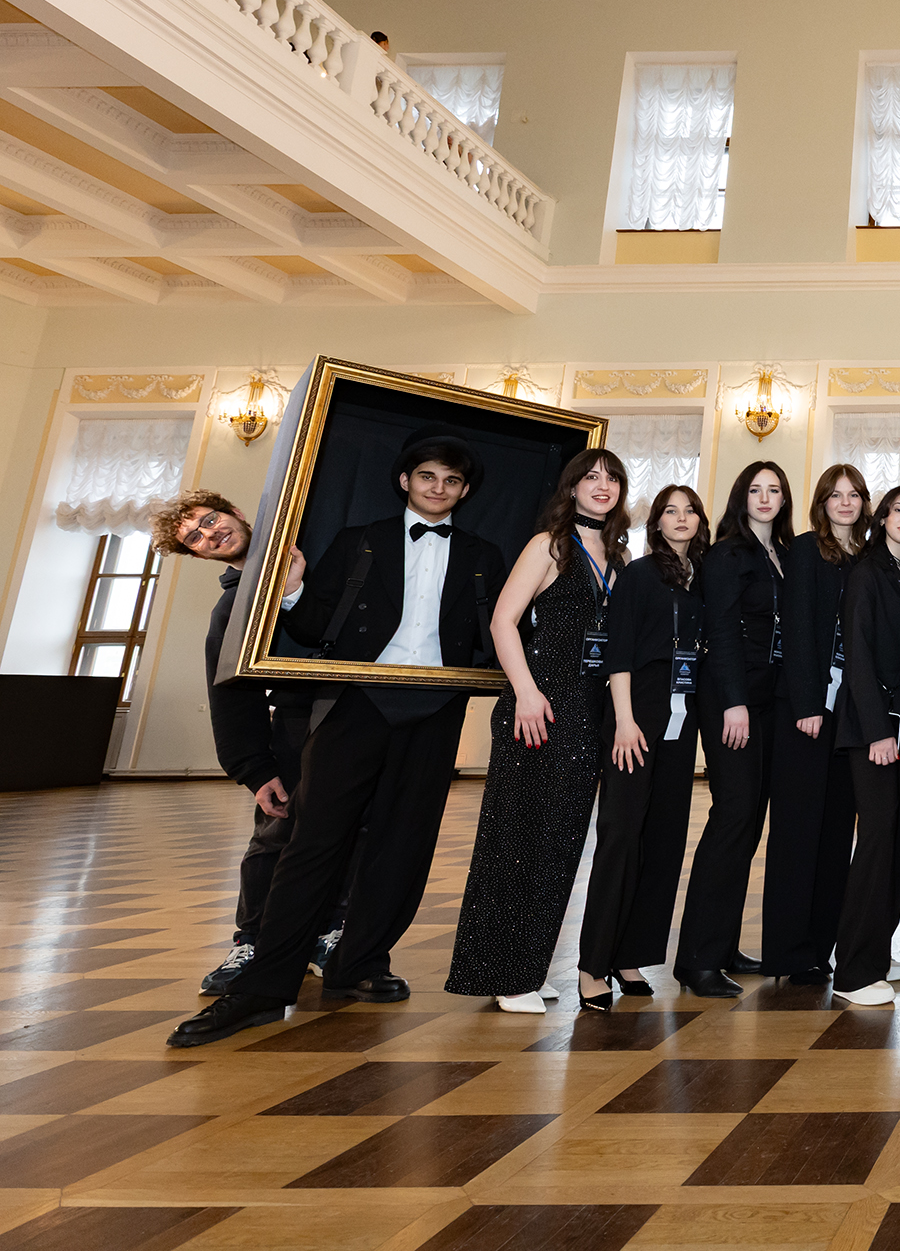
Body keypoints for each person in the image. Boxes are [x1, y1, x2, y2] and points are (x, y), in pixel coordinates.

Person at [170, 431, 509, 1047]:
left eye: (451, 481)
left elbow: (501, 632)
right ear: (405, 481)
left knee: (404, 847)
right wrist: (296, 589)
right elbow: (311, 626)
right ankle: (263, 987)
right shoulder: (360, 540)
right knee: (313, 844)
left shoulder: (485, 553)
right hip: (356, 704)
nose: (438, 488)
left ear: (464, 491)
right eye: (427, 476)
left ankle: (359, 963)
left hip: (437, 711)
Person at [448, 449, 629, 1012]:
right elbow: (503, 621)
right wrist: (526, 692)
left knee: (560, 843)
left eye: (612, 479)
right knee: (517, 839)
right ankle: (501, 974)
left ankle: (528, 962)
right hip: (539, 705)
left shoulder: (619, 556)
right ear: (571, 487)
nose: (602, 486)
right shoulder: (548, 545)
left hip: (588, 711)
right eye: (591, 477)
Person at [150, 492, 346, 995]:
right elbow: (231, 694)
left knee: (353, 833)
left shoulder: (322, 557)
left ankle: (330, 935)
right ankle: (253, 940)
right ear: (197, 555)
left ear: (235, 512)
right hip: (297, 725)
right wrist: (255, 770)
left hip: (357, 715)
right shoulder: (231, 608)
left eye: (210, 519)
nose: (210, 534)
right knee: (276, 836)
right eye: (195, 537)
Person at [579, 484, 709, 1011]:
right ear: (656, 523)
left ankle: (630, 956)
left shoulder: (700, 577)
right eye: (670, 511)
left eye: (690, 511)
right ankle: (592, 965)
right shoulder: (639, 574)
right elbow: (620, 651)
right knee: (621, 834)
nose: (681, 518)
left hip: (683, 718)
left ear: (700, 521)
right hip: (637, 716)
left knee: (664, 839)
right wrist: (625, 722)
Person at [674, 461, 796, 998]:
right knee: (733, 816)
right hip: (733, 700)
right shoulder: (726, 554)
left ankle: (721, 946)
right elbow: (721, 630)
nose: (765, 498)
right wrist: (734, 703)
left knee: (750, 824)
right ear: (741, 497)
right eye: (755, 489)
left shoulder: (782, 554)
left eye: (774, 490)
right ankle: (697, 959)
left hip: (770, 700)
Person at [829, 485, 900, 1006]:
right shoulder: (866, 572)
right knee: (875, 840)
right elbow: (859, 655)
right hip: (874, 729)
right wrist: (876, 732)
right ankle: (852, 971)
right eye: (899, 510)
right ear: (883, 517)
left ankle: (875, 949)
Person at [765, 464, 866, 983]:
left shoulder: (867, 556)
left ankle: (820, 947)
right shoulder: (805, 550)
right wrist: (806, 703)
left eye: (854, 495)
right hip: (807, 710)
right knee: (797, 831)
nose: (845, 503)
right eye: (835, 495)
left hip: (850, 714)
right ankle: (788, 951)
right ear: (822, 502)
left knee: (836, 833)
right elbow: (798, 627)